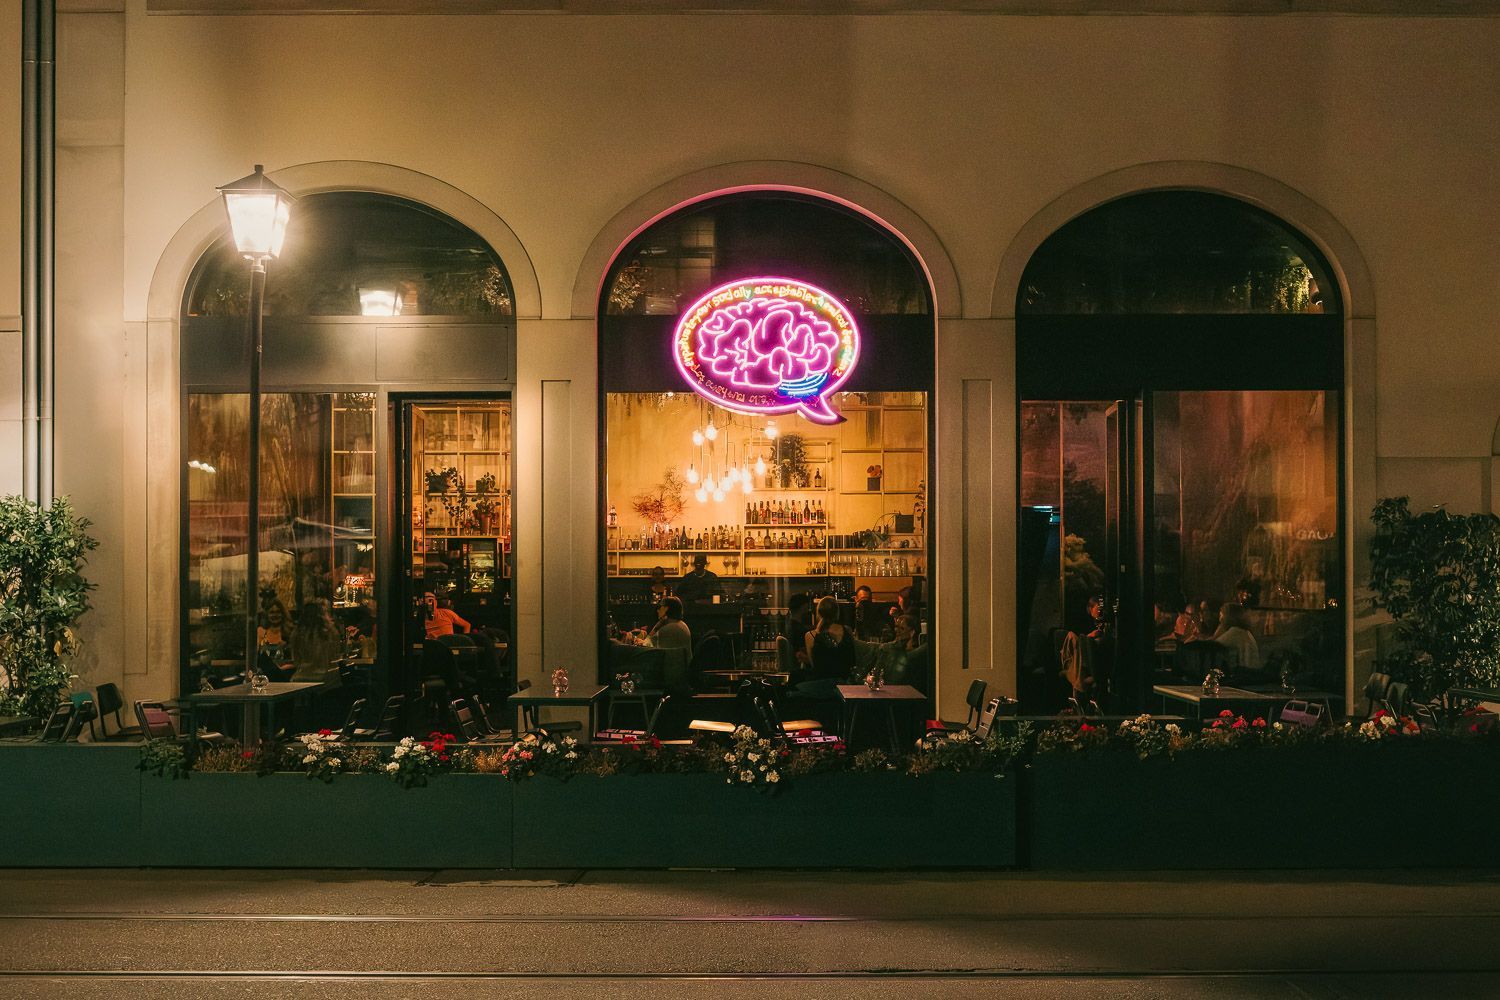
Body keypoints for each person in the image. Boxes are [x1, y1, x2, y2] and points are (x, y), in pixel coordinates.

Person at [802, 596, 856, 694]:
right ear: (837, 613)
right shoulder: (847, 630)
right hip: (844, 685)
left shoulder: (810, 635)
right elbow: (852, 659)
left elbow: (814, 665)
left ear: (818, 613)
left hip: (820, 686)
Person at [289, 599, 343, 683]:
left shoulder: (297, 633)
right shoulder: (330, 632)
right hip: (327, 678)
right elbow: (334, 656)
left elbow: (296, 660)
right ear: (322, 615)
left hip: (301, 677)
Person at [1214, 602, 1261, 671]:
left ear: (1229, 617)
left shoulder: (1235, 632)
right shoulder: (1244, 632)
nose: (1220, 619)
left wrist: (1218, 631)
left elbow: (1214, 646)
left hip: (1241, 676)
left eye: (1221, 615)